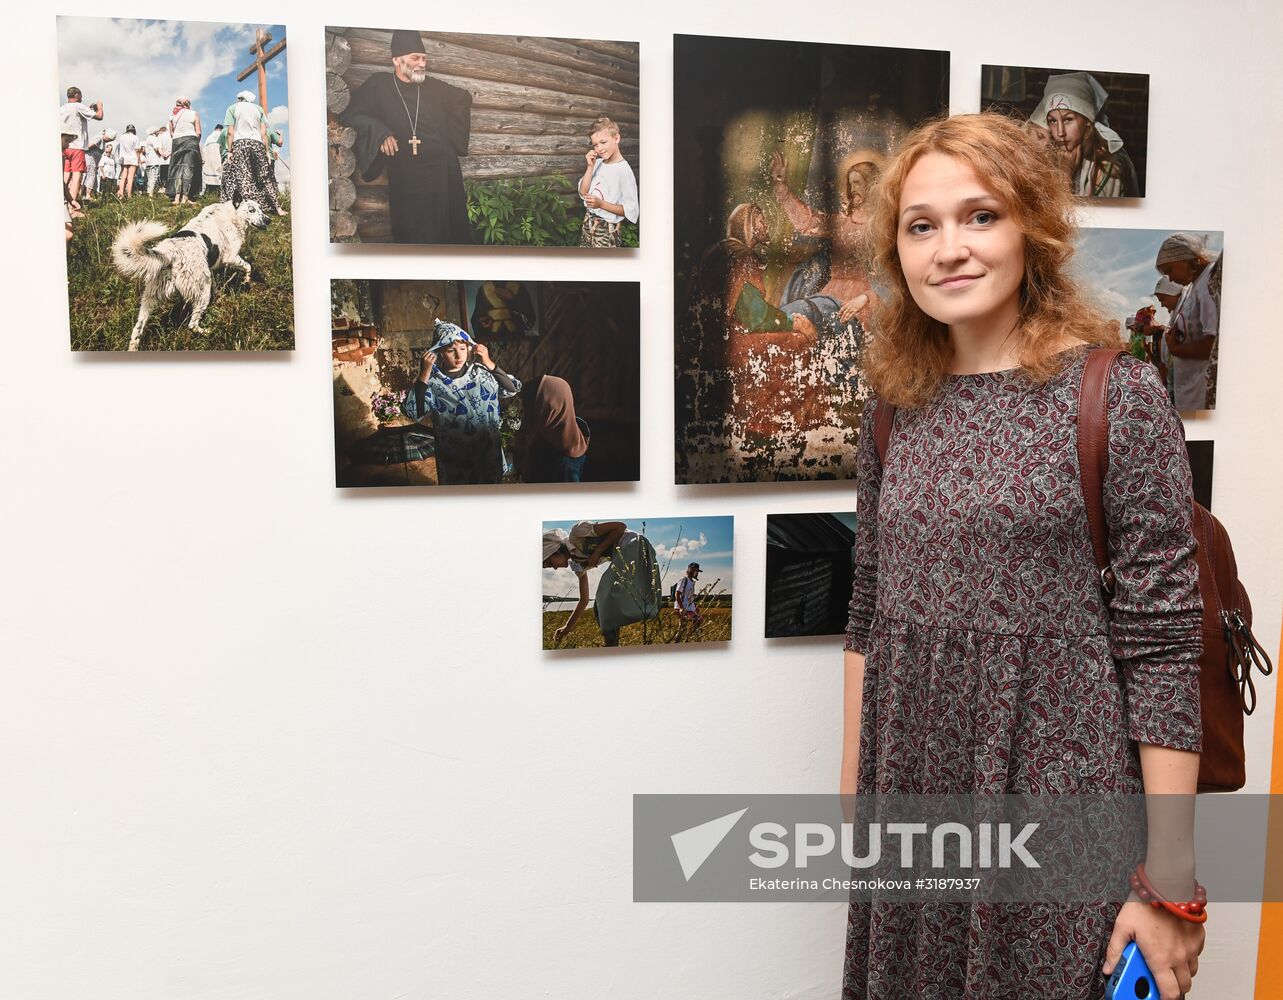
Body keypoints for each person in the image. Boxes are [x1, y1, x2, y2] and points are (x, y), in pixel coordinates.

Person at [842, 113, 1204, 1000]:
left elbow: (1163, 646)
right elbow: (867, 612)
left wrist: (1168, 881)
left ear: (1031, 230)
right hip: (914, 789)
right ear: (896, 252)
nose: (949, 248)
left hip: (1059, 794)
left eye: (980, 216)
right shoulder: (892, 408)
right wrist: (854, 802)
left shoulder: (1117, 395)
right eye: (920, 225)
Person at [340, 29, 473, 244]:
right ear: (396, 60)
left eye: (424, 59)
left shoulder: (433, 87)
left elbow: (463, 99)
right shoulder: (379, 85)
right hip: (406, 175)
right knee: (412, 232)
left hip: (442, 173)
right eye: (415, 58)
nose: (422, 64)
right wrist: (380, 133)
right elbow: (352, 113)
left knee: (448, 230)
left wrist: (450, 142)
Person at [401, 320, 521, 485]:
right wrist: (425, 373)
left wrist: (488, 362)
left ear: (469, 348)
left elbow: (511, 388)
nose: (458, 355)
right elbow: (413, 412)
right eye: (451, 350)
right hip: (456, 463)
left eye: (463, 348)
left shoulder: (481, 374)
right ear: (439, 352)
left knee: (491, 497)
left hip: (488, 455)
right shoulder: (433, 383)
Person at [542, 521, 662, 647]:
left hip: (634, 544)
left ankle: (612, 644)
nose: (554, 568)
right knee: (599, 608)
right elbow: (584, 599)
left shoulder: (577, 533)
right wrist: (567, 627)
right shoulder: (577, 564)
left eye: (550, 563)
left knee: (605, 597)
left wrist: (597, 551)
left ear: (556, 551)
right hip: (626, 554)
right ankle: (612, 643)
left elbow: (620, 527)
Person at [1030, 71, 1139, 198]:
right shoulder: (1050, 157)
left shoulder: (1109, 166)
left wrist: (1066, 176)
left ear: (1087, 121)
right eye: (1053, 121)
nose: (1060, 132)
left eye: (1068, 119)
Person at [1155, 232, 1220, 411]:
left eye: (1170, 270)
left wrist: (1176, 349)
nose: (1170, 278)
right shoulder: (1197, 284)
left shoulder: (1209, 281)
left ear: (1187, 257)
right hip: (1190, 394)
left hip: (1201, 396)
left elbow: (1216, 345)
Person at [577, 116, 639, 247]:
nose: (599, 148)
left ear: (616, 138)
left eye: (603, 142)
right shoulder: (597, 163)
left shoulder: (624, 171)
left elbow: (630, 210)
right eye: (595, 144)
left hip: (607, 229)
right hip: (588, 221)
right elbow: (583, 192)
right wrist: (590, 167)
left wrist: (601, 204)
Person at [221, 90, 284, 215]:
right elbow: (263, 133)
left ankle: (248, 210)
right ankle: (277, 208)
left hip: (240, 144)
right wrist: (267, 152)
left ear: (240, 98)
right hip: (257, 144)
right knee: (265, 176)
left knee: (244, 177)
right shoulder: (259, 109)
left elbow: (230, 133)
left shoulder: (232, 108)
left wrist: (229, 151)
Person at [518, 375, 590, 483]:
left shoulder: (564, 465)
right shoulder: (549, 433)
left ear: (550, 409)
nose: (525, 414)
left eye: (530, 409)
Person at [59, 87, 103, 216]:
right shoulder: (78, 106)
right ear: (77, 94)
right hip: (77, 145)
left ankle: (63, 203)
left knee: (66, 175)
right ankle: (72, 209)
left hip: (64, 145)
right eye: (81, 96)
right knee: (77, 176)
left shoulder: (62, 108)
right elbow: (99, 116)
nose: (82, 98)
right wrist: (100, 106)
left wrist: (87, 109)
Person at [167, 97, 202, 205]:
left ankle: (177, 197)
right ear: (188, 105)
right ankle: (185, 197)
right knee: (188, 167)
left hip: (177, 141)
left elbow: (171, 133)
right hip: (190, 140)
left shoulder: (173, 115)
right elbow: (198, 132)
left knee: (177, 168)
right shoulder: (193, 113)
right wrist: (195, 143)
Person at [673, 562, 703, 638]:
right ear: (689, 569)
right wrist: (681, 607)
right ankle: (683, 639)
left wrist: (694, 606)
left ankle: (688, 638)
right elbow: (677, 594)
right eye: (694, 570)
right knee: (684, 625)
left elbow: (690, 596)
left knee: (697, 620)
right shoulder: (684, 579)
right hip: (683, 607)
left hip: (689, 607)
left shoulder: (692, 582)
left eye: (697, 571)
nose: (696, 572)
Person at [114, 124, 140, 198]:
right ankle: (129, 195)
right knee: (130, 178)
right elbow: (137, 150)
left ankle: (121, 194)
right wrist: (138, 160)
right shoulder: (135, 138)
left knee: (123, 177)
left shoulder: (122, 137)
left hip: (123, 158)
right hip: (133, 159)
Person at [142, 125, 167, 196]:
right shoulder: (154, 139)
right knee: (153, 178)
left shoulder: (148, 139)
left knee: (149, 178)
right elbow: (156, 148)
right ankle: (151, 194)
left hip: (148, 161)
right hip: (154, 160)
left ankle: (148, 192)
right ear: (155, 132)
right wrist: (163, 154)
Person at [201, 125, 224, 197]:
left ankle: (207, 194)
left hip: (209, 161)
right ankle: (219, 194)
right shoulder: (221, 135)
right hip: (218, 160)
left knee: (209, 177)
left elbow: (204, 150)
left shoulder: (209, 138)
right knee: (220, 175)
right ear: (221, 129)